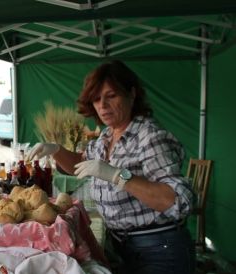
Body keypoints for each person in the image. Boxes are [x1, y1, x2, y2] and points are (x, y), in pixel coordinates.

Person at [27, 60, 194, 274]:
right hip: (124, 247)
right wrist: (56, 150)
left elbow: (177, 200)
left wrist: (117, 176)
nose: (102, 106)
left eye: (111, 96)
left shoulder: (149, 137)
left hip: (160, 249)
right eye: (96, 99)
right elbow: (80, 164)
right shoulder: (107, 134)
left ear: (132, 94)